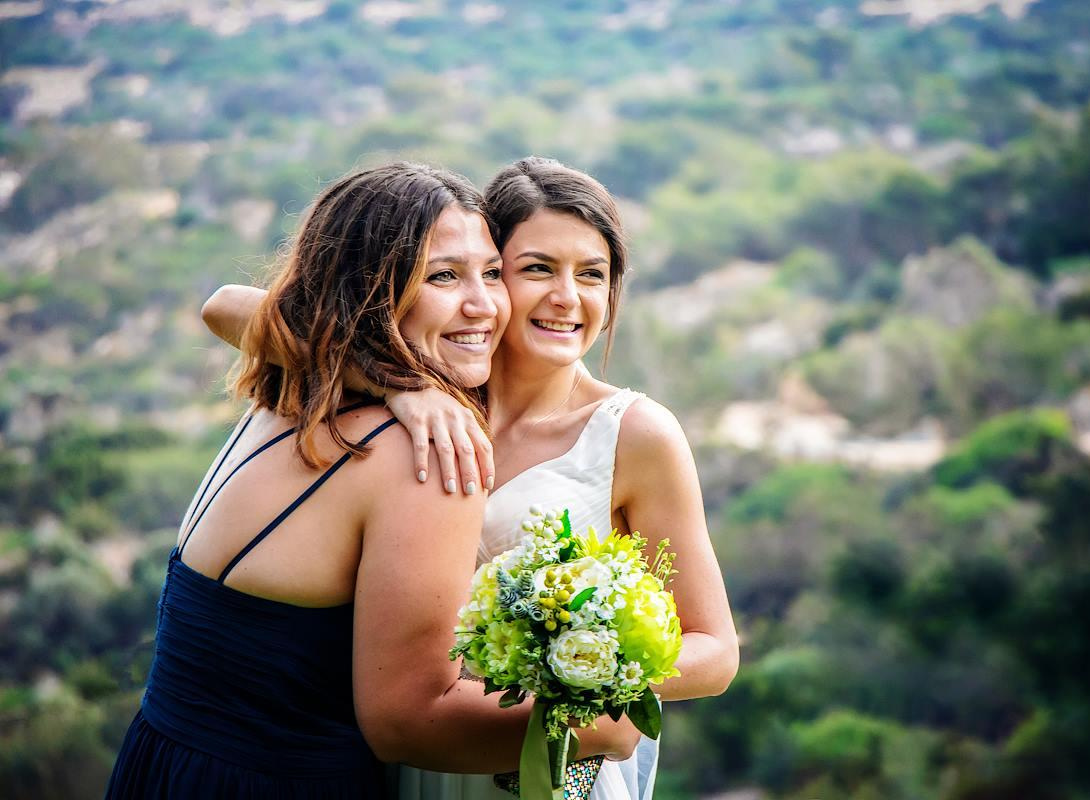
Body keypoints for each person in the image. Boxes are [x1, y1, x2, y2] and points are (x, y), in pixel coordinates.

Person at [202, 157, 739, 800]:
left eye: (591, 274)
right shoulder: (433, 383)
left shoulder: (636, 435)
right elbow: (227, 307)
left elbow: (714, 649)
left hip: (536, 757)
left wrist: (582, 677)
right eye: (536, 268)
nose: (567, 297)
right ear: (491, 272)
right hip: (404, 754)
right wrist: (398, 384)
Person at [106, 162, 638, 800]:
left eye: (492, 272)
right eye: (443, 276)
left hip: (160, 763)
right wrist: (604, 728)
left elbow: (237, 309)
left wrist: (390, 377)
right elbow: (409, 720)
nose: (483, 304)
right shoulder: (427, 455)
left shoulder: (294, 390)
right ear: (370, 290)